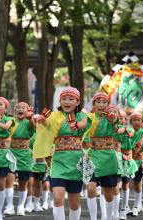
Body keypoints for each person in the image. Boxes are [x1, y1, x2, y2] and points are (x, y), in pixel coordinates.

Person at [33, 87, 90, 220]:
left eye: (71, 99)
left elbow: (83, 124)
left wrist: (75, 124)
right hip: (58, 161)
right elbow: (47, 123)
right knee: (58, 199)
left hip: (76, 163)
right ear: (60, 100)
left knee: (74, 203)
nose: (67, 101)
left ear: (77, 102)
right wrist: (41, 120)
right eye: (64, 99)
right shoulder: (55, 115)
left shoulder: (81, 114)